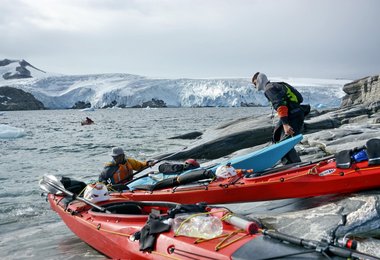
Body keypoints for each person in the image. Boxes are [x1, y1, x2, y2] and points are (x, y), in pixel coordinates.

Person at [252, 72, 304, 164]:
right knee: (278, 138)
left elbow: (280, 105)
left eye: (254, 83)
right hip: (296, 113)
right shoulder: (277, 85)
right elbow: (300, 98)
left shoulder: (269, 89)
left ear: (259, 80)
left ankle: (293, 167)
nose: (254, 85)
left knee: (283, 145)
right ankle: (293, 165)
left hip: (292, 116)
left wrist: (285, 124)